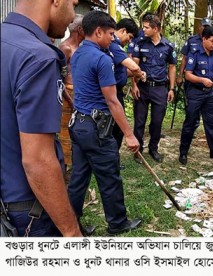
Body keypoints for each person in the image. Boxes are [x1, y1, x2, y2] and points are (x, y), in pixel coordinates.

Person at [1, 0, 82, 237]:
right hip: (27, 211)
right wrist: (72, 233)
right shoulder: (38, 58)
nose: (73, 13)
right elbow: (37, 160)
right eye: (73, 3)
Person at [68, 10, 141, 235]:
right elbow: (112, 101)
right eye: (110, 34)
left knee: (79, 178)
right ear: (98, 31)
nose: (113, 38)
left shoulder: (78, 53)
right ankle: (118, 223)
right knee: (109, 176)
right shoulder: (102, 58)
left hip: (78, 125)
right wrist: (129, 134)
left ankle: (71, 224)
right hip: (96, 129)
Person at [131, 14, 177, 163]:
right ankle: (138, 151)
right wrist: (134, 85)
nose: (143, 29)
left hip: (159, 89)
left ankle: (153, 149)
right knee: (139, 121)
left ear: (155, 28)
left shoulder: (168, 47)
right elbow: (134, 66)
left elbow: (172, 67)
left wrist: (171, 89)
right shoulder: (140, 43)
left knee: (157, 122)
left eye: (146, 27)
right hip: (142, 88)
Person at [179, 27, 213, 165]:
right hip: (195, 93)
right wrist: (201, 80)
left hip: (210, 94)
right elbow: (188, 75)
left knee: (211, 123)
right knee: (190, 123)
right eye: (212, 41)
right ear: (204, 39)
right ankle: (183, 152)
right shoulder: (194, 53)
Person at [109, 18, 146, 150]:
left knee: (114, 128)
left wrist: (135, 73)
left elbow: (123, 71)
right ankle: (112, 160)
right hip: (112, 93)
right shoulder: (115, 46)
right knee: (117, 129)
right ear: (123, 30)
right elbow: (134, 68)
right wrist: (140, 74)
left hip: (116, 91)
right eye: (129, 37)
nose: (129, 41)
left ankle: (114, 159)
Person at [176, 18, 213, 138]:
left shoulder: (212, 41)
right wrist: (180, 76)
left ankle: (194, 127)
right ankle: (190, 127)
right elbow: (185, 59)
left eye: (208, 26)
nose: (206, 28)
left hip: (206, 82)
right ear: (199, 27)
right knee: (190, 106)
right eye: (204, 26)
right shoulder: (192, 40)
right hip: (191, 80)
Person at [59, 14, 84, 173]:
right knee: (65, 135)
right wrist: (70, 101)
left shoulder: (82, 48)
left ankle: (75, 167)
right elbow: (58, 80)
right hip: (68, 97)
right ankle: (64, 169)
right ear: (80, 30)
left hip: (79, 96)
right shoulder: (65, 48)